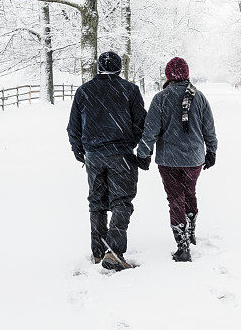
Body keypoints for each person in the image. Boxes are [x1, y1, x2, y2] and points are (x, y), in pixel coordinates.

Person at [67, 51, 147, 271]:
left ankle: (98, 250)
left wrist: (79, 150)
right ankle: (113, 250)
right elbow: (141, 123)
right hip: (121, 154)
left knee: (97, 202)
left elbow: (73, 126)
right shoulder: (130, 90)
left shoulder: (84, 91)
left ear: (98, 68)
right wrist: (131, 141)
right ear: (119, 68)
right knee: (121, 201)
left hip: (93, 155)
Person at [136, 57, 217, 262]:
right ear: (187, 74)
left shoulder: (161, 98)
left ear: (168, 75)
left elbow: (150, 131)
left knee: (175, 198)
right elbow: (209, 129)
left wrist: (144, 154)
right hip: (194, 158)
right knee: (189, 193)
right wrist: (212, 151)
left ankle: (182, 246)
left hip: (169, 160)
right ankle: (190, 233)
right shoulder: (199, 98)